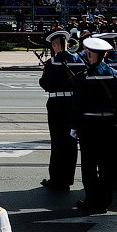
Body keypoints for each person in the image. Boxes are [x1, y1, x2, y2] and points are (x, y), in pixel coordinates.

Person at [70, 36, 117, 213]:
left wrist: (75, 126)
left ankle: (92, 200)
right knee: (106, 164)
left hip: (89, 125)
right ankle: (105, 200)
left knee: (89, 165)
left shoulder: (83, 77)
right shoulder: (116, 75)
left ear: (90, 54)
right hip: (109, 125)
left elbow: (77, 104)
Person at [38, 30, 85, 191]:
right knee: (71, 142)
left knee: (58, 141)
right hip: (74, 102)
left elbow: (46, 84)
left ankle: (57, 179)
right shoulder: (79, 60)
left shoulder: (53, 62)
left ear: (55, 45)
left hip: (57, 103)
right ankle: (68, 178)